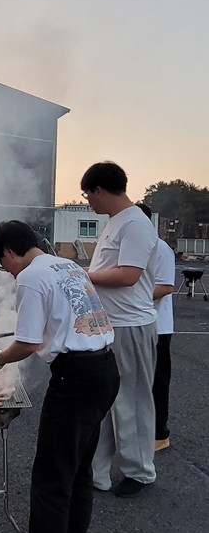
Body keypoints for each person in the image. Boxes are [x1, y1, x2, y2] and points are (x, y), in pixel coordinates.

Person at [0, 220, 119, 533]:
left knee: (51, 476)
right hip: (105, 369)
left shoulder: (30, 276)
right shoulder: (67, 265)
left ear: (11, 251)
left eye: (2, 264)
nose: (7, 273)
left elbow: (27, 343)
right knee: (80, 467)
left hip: (76, 378)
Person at [81, 161, 159, 498]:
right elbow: (106, 270)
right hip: (107, 324)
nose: (88, 203)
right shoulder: (115, 222)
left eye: (88, 195)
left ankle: (139, 471)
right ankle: (97, 473)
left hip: (131, 325)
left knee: (132, 400)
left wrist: (83, 275)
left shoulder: (136, 225)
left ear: (100, 190)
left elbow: (128, 275)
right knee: (104, 400)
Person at [136, 204, 175, 452]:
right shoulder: (134, 246)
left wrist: (132, 297)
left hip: (158, 327)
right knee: (135, 381)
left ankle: (159, 434)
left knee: (157, 381)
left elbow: (166, 286)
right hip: (135, 322)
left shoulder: (160, 248)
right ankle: (137, 431)